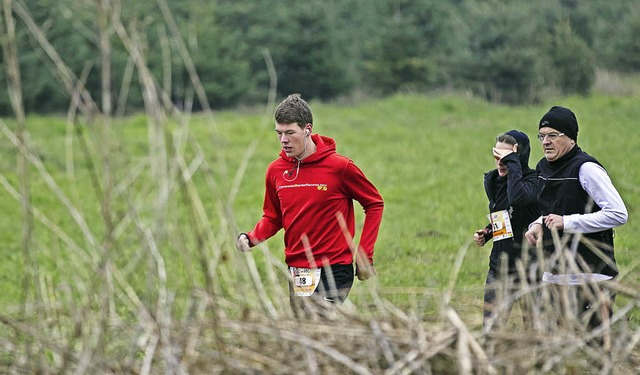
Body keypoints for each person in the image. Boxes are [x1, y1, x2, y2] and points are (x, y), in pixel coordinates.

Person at [236, 93, 384, 317]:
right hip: (299, 270)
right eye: (279, 133)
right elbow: (273, 217)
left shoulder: (340, 168)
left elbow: (374, 204)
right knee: (306, 331)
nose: (283, 140)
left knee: (320, 321)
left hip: (335, 268)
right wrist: (251, 237)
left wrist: (364, 255)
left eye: (290, 133)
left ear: (307, 130)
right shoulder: (276, 171)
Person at [524, 106, 628, 332]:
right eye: (542, 136)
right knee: (557, 350)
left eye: (553, 135)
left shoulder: (586, 168)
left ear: (570, 137)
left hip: (592, 275)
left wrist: (568, 222)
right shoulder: (543, 168)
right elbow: (550, 211)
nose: (545, 142)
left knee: (597, 348)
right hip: (555, 275)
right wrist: (537, 225)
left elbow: (618, 213)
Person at [473, 130, 539, 331]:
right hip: (499, 267)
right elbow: (506, 213)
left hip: (530, 269)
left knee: (535, 332)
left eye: (506, 158)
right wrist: (489, 232)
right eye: (497, 156)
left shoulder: (534, 181)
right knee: (490, 330)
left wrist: (513, 164)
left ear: (519, 157)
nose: (500, 163)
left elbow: (517, 198)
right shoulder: (493, 181)